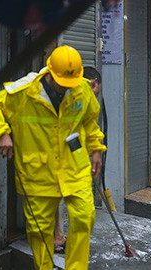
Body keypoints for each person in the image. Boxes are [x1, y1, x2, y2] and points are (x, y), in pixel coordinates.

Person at [0, 45, 106, 270]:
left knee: (84, 216)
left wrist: (96, 150)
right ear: (49, 72)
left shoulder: (81, 89)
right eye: (62, 82)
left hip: (75, 166)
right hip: (37, 170)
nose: (67, 86)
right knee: (39, 228)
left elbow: (90, 120)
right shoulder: (23, 92)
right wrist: (1, 134)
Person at [53, 65, 103, 253]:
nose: (95, 96)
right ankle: (57, 237)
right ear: (93, 83)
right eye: (96, 91)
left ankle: (63, 238)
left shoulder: (82, 99)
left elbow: (87, 128)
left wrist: (94, 150)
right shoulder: (70, 95)